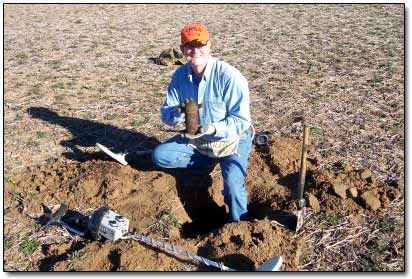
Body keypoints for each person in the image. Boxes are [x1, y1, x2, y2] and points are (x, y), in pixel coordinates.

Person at [152, 23, 253, 222]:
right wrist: (178, 112)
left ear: (209, 46)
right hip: (199, 140)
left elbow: (241, 121)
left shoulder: (230, 77)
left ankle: (240, 225)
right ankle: (206, 161)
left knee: (232, 187)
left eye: (200, 44)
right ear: (181, 50)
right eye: (189, 45)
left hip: (232, 140)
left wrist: (214, 127)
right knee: (160, 156)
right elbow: (166, 114)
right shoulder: (180, 76)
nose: (195, 50)